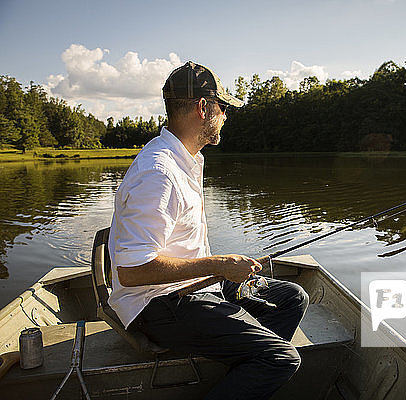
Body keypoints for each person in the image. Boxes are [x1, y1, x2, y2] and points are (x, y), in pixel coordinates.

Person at [107, 61, 309, 399]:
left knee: (291, 298)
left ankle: (241, 372)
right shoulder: (159, 173)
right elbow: (130, 271)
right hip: (156, 304)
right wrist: (217, 265)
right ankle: (253, 364)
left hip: (190, 288)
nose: (226, 115)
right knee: (280, 359)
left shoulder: (184, 159)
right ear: (204, 107)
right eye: (223, 106)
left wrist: (218, 269)